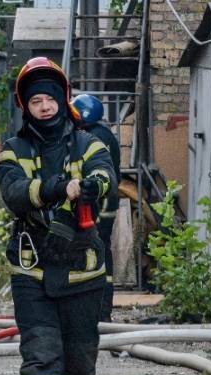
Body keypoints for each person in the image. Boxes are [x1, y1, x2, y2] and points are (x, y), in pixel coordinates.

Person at [0, 57, 114, 375]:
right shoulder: (15, 148)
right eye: (36, 101)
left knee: (80, 359)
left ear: (63, 100)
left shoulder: (88, 143)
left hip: (82, 271)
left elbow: (105, 176)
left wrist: (93, 186)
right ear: (24, 107)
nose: (44, 107)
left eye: (50, 99)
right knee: (41, 356)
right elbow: (13, 193)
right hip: (33, 271)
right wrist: (57, 188)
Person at [72, 94, 121, 321]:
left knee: (97, 253)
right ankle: (100, 312)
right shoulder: (105, 134)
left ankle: (101, 313)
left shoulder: (93, 137)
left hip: (98, 205)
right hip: (106, 202)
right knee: (101, 251)